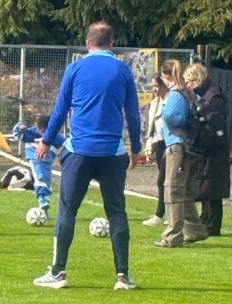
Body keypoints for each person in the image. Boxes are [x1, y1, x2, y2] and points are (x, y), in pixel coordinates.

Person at [32, 21, 141, 291]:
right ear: (112, 44)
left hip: (79, 151)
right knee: (116, 211)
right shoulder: (123, 70)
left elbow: (60, 110)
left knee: (67, 210)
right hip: (112, 153)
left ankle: (58, 272)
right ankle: (122, 276)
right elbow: (133, 114)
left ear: (87, 44)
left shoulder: (75, 68)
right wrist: (136, 149)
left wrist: (47, 140)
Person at [153, 59, 209, 248]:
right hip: (190, 147)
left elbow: (170, 115)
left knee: (173, 190)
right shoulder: (189, 92)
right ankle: (195, 230)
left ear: (165, 76)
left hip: (177, 146)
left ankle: (172, 236)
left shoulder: (175, 94)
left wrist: (175, 127)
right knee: (184, 191)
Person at [183, 60, 230, 236]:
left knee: (211, 187)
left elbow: (215, 125)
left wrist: (200, 140)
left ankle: (211, 225)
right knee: (206, 186)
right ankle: (206, 221)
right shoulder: (208, 95)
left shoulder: (213, 97)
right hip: (209, 148)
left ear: (196, 80)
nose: (187, 86)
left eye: (188, 82)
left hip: (212, 149)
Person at [13, 114, 66, 215]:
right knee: (40, 177)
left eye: (46, 130)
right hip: (35, 159)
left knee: (47, 183)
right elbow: (16, 134)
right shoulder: (31, 132)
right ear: (37, 126)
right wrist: (19, 126)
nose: (43, 133)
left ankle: (44, 209)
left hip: (47, 162)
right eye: (41, 130)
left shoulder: (54, 136)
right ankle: (41, 198)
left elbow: (65, 143)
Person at [140, 74, 167, 226]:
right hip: (159, 143)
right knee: (162, 179)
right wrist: (149, 146)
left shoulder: (171, 100)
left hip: (169, 143)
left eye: (157, 86)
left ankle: (161, 214)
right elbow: (151, 128)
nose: (154, 89)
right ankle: (163, 213)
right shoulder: (154, 103)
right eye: (153, 86)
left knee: (165, 180)